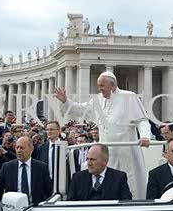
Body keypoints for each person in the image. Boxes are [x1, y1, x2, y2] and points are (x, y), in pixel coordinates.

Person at [54, 71, 151, 199]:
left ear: (112, 85)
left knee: (130, 184)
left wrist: (145, 136)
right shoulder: (98, 100)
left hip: (125, 151)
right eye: (98, 85)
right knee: (108, 186)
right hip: (106, 152)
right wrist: (66, 101)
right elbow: (81, 109)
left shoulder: (129, 97)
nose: (99, 89)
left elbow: (142, 120)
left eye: (102, 85)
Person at [67, 144, 131, 201]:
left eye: (92, 159)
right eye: (87, 159)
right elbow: (69, 204)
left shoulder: (119, 178)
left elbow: (126, 203)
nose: (89, 163)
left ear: (105, 161)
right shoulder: (77, 178)